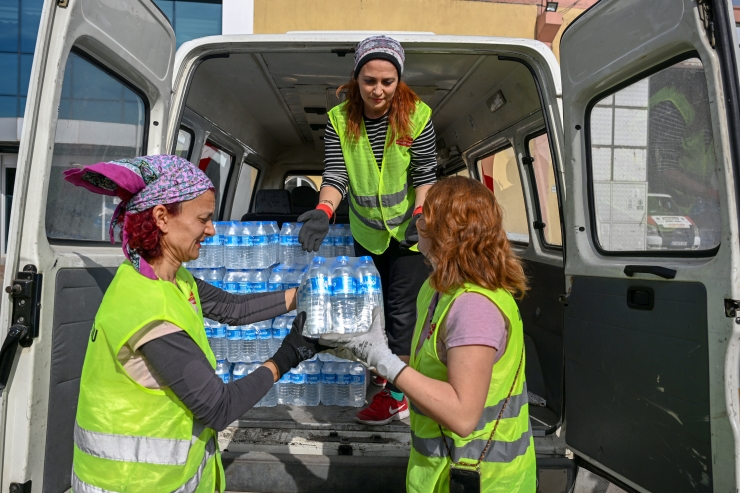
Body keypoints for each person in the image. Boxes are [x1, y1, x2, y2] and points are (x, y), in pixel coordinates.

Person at [65, 155, 321, 493]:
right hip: (132, 484)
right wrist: (290, 354)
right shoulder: (146, 308)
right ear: (162, 218)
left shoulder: (168, 278)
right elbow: (219, 407)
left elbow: (233, 308)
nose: (212, 229)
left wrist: (306, 294)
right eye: (204, 219)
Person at [322, 177, 536, 492]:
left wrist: (383, 361)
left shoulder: (473, 307)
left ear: (442, 232)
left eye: (425, 214)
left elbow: (463, 416)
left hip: (486, 480)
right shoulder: (435, 289)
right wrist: (361, 351)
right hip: (440, 474)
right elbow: (424, 367)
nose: (417, 219)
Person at [297, 35, 437, 425]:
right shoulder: (340, 120)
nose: (378, 90)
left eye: (387, 81)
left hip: (409, 233)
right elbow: (337, 173)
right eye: (369, 80)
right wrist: (324, 210)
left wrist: (422, 214)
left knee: (402, 314)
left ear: (399, 80)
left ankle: (397, 396)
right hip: (367, 233)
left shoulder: (418, 116)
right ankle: (383, 370)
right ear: (356, 79)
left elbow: (425, 173)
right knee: (372, 310)